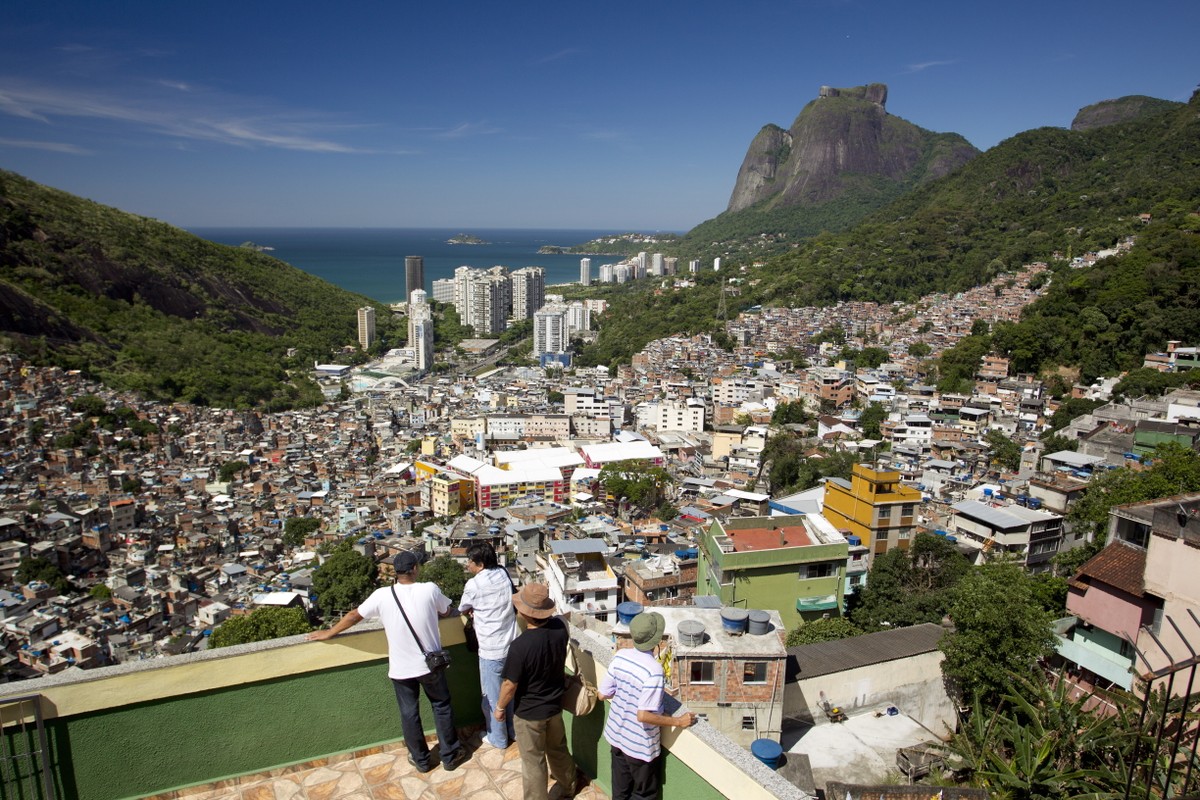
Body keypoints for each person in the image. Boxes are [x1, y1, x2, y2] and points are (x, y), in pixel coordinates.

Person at [307, 550, 467, 773]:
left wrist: (330, 632)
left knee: (409, 714)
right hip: (430, 664)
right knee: (441, 706)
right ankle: (449, 756)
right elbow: (447, 611)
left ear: (396, 572)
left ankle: (421, 760)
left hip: (401, 668)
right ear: (414, 569)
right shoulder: (429, 589)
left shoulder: (382, 595)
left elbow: (355, 615)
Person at [598, 611, 697, 800]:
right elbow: (643, 715)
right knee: (644, 795)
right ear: (656, 641)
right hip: (639, 746)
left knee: (620, 792)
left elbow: (603, 694)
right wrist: (679, 720)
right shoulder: (654, 670)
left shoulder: (620, 656)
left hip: (616, 735)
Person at [494, 583, 578, 800]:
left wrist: (499, 708)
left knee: (533, 762)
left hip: (529, 713)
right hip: (554, 705)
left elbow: (509, 685)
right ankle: (569, 785)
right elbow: (560, 618)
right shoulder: (560, 628)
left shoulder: (520, 646)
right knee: (558, 750)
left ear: (524, 612)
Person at [458, 541, 520, 749]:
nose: (468, 565)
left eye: (470, 562)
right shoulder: (503, 573)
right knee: (510, 693)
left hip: (491, 650)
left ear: (481, 564)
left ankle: (499, 738)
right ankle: (512, 732)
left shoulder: (474, 585)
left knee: (493, 698)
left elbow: (462, 607)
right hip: (511, 645)